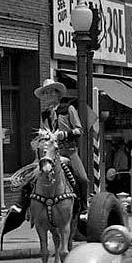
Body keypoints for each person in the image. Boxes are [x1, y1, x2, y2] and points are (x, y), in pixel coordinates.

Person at [35, 78, 89, 213]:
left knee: (82, 179)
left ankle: (83, 207)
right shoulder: (45, 114)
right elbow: (44, 131)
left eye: (50, 92)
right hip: (51, 152)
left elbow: (79, 130)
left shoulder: (68, 109)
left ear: (58, 93)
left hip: (68, 151)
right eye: (45, 93)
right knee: (32, 176)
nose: (48, 96)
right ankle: (26, 207)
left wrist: (64, 134)